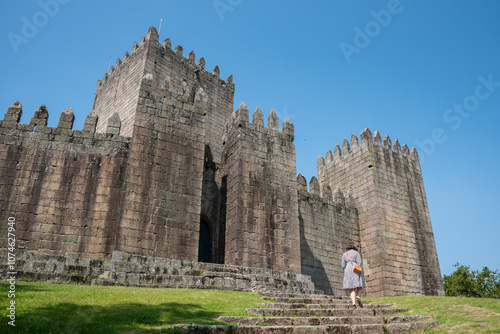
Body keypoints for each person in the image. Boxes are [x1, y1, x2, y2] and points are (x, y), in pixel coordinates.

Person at [342, 242, 364, 308]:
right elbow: (359, 263)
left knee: (352, 288)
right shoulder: (356, 253)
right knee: (359, 285)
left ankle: (354, 304)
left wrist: (346, 270)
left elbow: (343, 265)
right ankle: (358, 296)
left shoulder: (345, 254)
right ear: (354, 247)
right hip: (355, 269)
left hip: (348, 269)